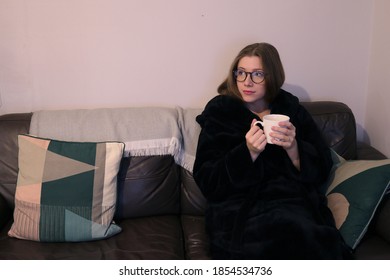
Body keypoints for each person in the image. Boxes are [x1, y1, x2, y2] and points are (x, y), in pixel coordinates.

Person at [193, 42, 353, 259]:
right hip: (239, 207)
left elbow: (322, 167)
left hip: (291, 202)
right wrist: (247, 152)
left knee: (308, 238)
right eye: (241, 73)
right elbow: (207, 180)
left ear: (272, 76)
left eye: (257, 74)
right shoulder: (220, 113)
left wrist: (294, 148)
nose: (247, 82)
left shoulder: (292, 111)